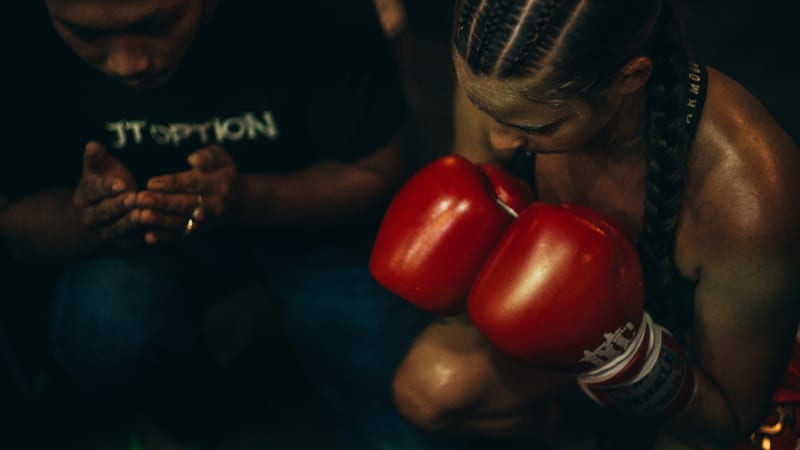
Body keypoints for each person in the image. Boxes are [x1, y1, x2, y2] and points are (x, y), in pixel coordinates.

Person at [0, 0, 453, 448]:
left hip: (311, 220)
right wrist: (95, 218)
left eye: (157, 24)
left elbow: (375, 171)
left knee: (399, 405)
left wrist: (244, 200)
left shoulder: (319, 12)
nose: (128, 63)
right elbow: (18, 227)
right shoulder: (16, 27)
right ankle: (186, 420)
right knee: (102, 324)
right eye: (87, 34)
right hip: (143, 251)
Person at [378, 0, 800, 449]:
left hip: (691, 373)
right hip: (564, 353)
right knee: (429, 390)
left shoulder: (750, 198)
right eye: (487, 108)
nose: (499, 138)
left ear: (629, 79)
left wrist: (626, 357)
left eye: (539, 126)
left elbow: (727, 420)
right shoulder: (502, 80)